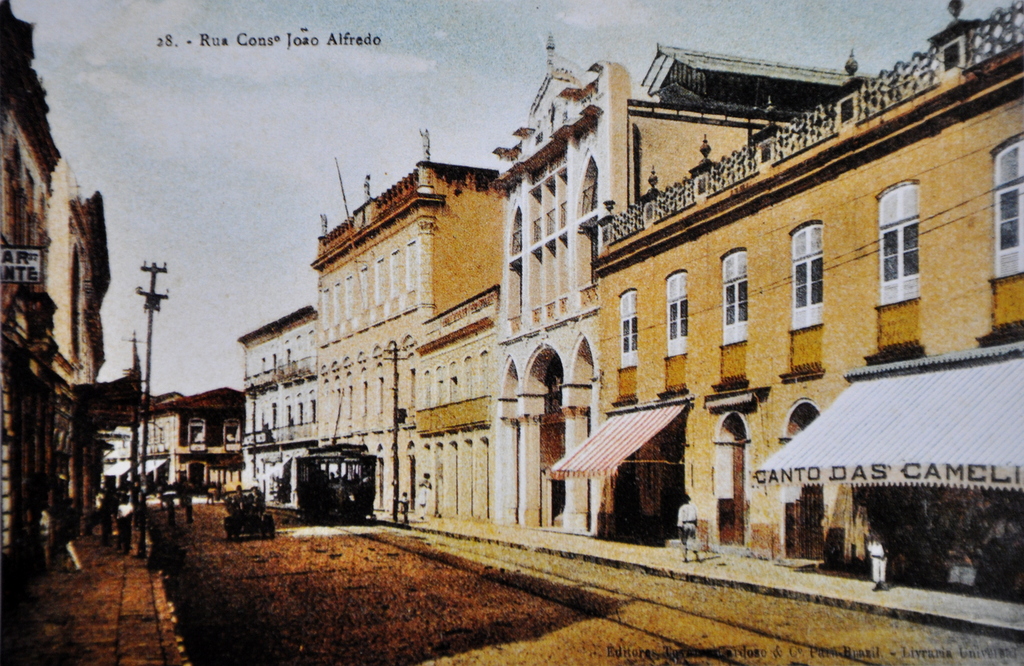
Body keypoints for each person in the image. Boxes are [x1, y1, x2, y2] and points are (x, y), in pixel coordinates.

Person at [677, 494, 699, 562]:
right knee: (693, 541)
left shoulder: (682, 508)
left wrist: (680, 528)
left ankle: (685, 558)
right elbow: (696, 517)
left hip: (685, 525)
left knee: (684, 542)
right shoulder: (693, 507)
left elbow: (680, 519)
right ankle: (697, 557)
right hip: (692, 525)